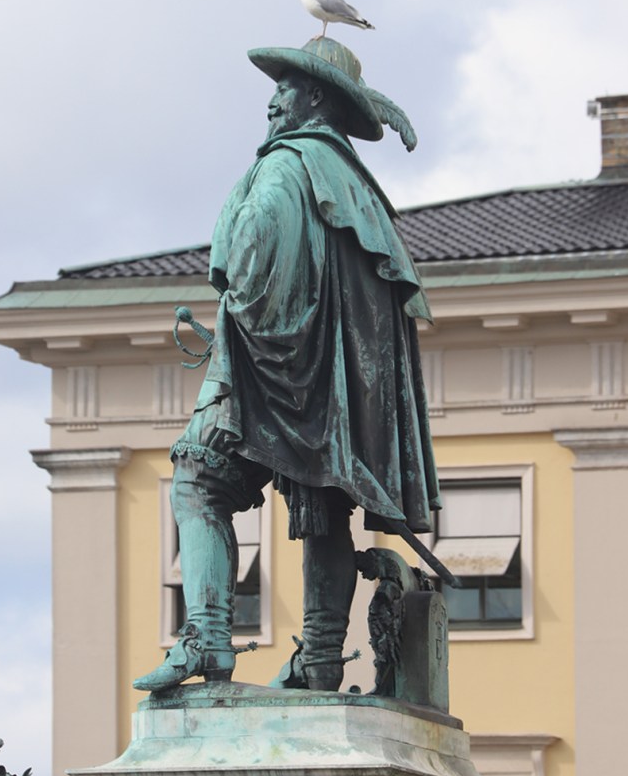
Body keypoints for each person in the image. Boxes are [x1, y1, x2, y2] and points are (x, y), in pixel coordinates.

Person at [134, 37, 440, 693]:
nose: (273, 101)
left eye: (285, 87)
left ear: (315, 96)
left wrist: (241, 332)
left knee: (198, 479)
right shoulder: (362, 192)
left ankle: (206, 636)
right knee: (325, 507)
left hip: (272, 368)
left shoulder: (284, 166)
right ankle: (322, 659)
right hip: (340, 392)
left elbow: (252, 252)